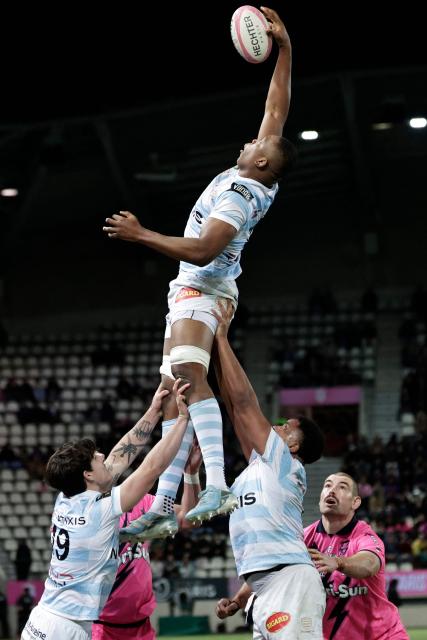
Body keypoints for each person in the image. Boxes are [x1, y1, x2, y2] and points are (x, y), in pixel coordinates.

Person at [102, 6, 296, 533]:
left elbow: (205, 249)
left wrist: (142, 235)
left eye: (255, 145)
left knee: (188, 374)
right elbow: (275, 112)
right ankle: (166, 503)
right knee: (171, 392)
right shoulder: (260, 170)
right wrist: (285, 49)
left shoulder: (239, 192)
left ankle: (215, 484)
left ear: (259, 163)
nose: (250, 139)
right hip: (190, 289)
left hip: (205, 285)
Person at [20, 379, 191, 640]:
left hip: (43, 619)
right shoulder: (99, 511)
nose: (102, 456)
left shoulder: (66, 497)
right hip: (67, 628)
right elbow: (151, 469)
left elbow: (120, 457)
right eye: (95, 457)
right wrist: (181, 422)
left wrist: (154, 411)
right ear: (88, 474)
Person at [212, 300, 326, 639]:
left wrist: (221, 337)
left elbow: (246, 403)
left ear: (293, 446)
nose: (276, 427)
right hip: (263, 587)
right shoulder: (259, 466)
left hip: (289, 581)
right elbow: (233, 409)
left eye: (285, 426)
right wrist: (210, 352)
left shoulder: (286, 464)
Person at [92, 439, 202, 640]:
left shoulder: (143, 503)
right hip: (101, 627)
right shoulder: (89, 514)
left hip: (142, 627)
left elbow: (189, 519)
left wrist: (191, 474)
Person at [304, 472, 409, 639]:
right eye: (328, 485)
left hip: (382, 636)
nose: (332, 491)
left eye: (342, 487)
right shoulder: (303, 538)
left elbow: (369, 563)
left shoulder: (365, 536)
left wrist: (338, 562)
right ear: (320, 497)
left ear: (355, 502)